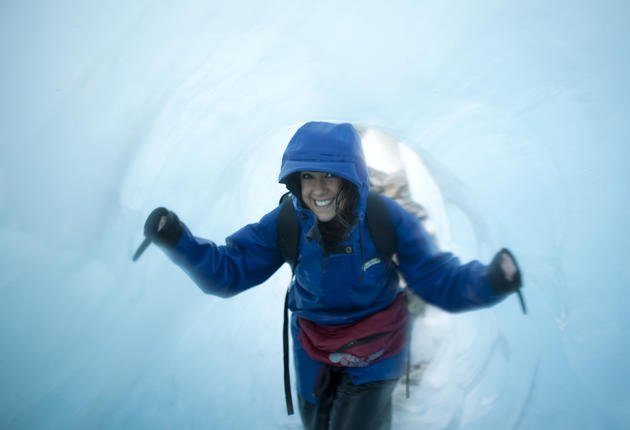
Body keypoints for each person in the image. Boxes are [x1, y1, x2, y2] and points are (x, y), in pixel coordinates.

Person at [141, 121, 522, 430]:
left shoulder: (384, 219)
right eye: (308, 177)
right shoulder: (287, 222)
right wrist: (177, 239)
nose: (318, 189)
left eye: (330, 176)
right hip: (313, 349)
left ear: (350, 178)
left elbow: (438, 278)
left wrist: (492, 281)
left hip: (377, 349)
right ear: (295, 182)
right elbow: (229, 272)